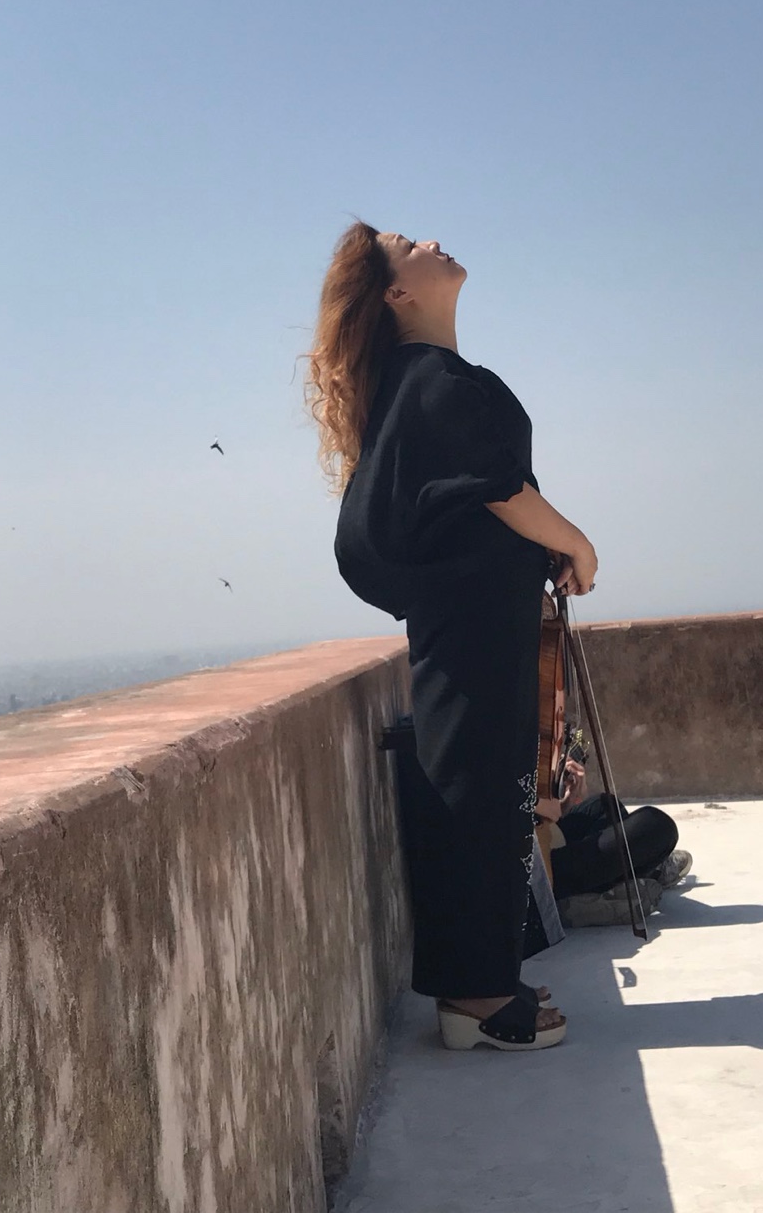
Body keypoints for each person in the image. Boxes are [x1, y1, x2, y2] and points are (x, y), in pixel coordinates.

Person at [306, 221, 599, 1052]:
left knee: (487, 789)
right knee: (475, 791)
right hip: (473, 618)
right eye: (409, 245)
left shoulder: (423, 381)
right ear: (397, 292)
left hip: (474, 616)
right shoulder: (430, 380)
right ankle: (474, 995)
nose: (433, 242)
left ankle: (478, 977)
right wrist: (577, 544)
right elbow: (500, 490)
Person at [549, 757, 693, 921]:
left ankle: (610, 882)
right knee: (659, 825)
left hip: (541, 844)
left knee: (605, 805)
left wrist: (565, 804)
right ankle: (580, 898)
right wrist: (549, 807)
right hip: (540, 871)